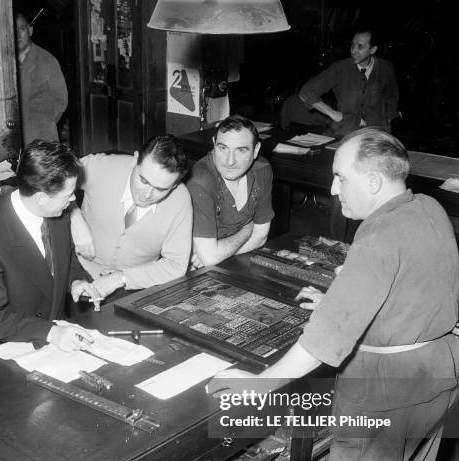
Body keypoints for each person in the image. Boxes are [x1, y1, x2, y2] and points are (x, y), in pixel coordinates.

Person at [212, 128, 459, 461]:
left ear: (371, 181)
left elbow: (321, 345)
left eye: (340, 178)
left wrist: (255, 388)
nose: (331, 188)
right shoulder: (426, 208)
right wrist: (339, 297)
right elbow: (416, 285)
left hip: (386, 390)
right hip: (440, 375)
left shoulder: (378, 236)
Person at [0, 140, 99, 351]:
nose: (73, 199)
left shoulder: (56, 213)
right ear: (42, 198)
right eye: (68, 194)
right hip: (12, 347)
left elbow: (66, 258)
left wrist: (75, 281)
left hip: (55, 336)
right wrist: (50, 332)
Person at [72, 135, 192, 300]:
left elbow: (175, 266)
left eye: (161, 189)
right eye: (143, 180)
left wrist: (121, 278)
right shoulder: (101, 167)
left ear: (175, 184)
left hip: (134, 287)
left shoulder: (181, 200)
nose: (147, 194)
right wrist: (75, 216)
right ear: (135, 159)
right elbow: (53, 182)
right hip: (76, 272)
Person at [186, 114, 273, 268]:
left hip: (230, 260)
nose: (230, 161)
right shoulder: (200, 181)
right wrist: (248, 229)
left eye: (241, 150)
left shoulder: (262, 169)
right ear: (214, 144)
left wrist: (218, 254)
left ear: (256, 150)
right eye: (223, 148)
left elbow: (261, 237)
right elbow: (209, 258)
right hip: (189, 266)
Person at [293, 28, 398, 138]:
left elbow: (392, 97)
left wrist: (387, 122)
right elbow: (306, 91)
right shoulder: (339, 69)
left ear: (373, 49)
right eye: (352, 45)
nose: (353, 51)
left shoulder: (386, 69)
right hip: (344, 133)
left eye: (360, 47)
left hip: (376, 135)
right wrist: (333, 114)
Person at [15, 12, 68, 146]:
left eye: (22, 29)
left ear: (30, 30)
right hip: (15, 139)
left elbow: (61, 101)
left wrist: (45, 123)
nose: (18, 35)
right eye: (13, 30)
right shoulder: (6, 63)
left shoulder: (47, 60)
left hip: (42, 138)